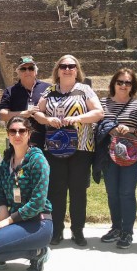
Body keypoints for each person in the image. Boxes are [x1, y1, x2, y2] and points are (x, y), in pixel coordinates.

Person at [34, 55, 104, 246]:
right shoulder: (49, 91)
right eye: (63, 66)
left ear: (77, 69)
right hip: (55, 147)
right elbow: (37, 113)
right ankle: (57, 231)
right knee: (56, 190)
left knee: (78, 190)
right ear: (57, 69)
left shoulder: (84, 90)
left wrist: (78, 118)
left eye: (71, 66)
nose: (67, 69)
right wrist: (48, 120)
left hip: (81, 147)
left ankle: (78, 230)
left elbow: (98, 112)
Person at [0, 116, 53, 271]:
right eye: (13, 131)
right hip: (14, 217)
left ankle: (37, 253)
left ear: (29, 134)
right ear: (8, 134)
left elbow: (37, 203)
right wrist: (2, 207)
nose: (17, 135)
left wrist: (8, 220)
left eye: (22, 131)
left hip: (37, 222)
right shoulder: (7, 160)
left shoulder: (37, 160)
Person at [98, 68, 137, 249]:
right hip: (109, 155)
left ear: (132, 85)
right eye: (120, 82)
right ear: (114, 83)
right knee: (112, 193)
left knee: (126, 193)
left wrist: (131, 130)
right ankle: (116, 227)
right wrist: (109, 129)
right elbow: (97, 126)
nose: (123, 85)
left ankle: (127, 231)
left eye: (128, 82)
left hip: (130, 156)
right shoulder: (103, 103)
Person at [0, 56, 50, 150]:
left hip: (45, 140)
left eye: (31, 68)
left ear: (35, 71)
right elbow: (2, 115)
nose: (27, 72)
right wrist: (22, 114)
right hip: (19, 141)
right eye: (23, 69)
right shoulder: (10, 91)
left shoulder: (48, 88)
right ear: (18, 72)